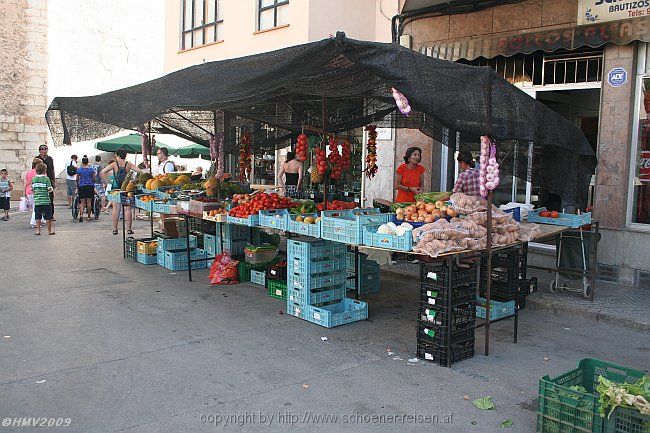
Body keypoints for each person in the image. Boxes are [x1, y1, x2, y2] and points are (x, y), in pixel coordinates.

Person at [101, 149, 142, 235]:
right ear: (125, 155)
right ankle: (129, 229)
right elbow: (139, 171)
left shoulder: (114, 164)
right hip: (127, 188)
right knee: (128, 208)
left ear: (117, 155)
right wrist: (135, 181)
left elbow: (103, 172)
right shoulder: (129, 164)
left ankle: (115, 229)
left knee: (116, 209)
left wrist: (108, 181)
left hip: (116, 188)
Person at [31, 162, 55, 235]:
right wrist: (50, 189)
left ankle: (38, 230)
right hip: (46, 201)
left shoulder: (34, 179)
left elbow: (32, 189)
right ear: (45, 171)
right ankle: (49, 230)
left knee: (37, 217)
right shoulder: (46, 179)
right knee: (48, 217)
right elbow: (50, 189)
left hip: (37, 201)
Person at [37, 144, 56, 218]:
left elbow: (52, 170)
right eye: (42, 149)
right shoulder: (37, 159)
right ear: (40, 151)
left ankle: (50, 215)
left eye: (46, 149)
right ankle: (41, 215)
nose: (44, 150)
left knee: (50, 198)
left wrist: (54, 180)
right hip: (40, 181)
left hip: (49, 180)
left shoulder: (50, 158)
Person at [76, 156, 95, 222]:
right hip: (89, 186)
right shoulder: (91, 170)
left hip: (82, 186)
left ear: (82, 162)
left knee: (82, 202)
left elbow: (77, 179)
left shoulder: (79, 170)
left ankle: (81, 215)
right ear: (88, 162)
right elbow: (93, 179)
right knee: (89, 202)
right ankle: (89, 216)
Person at [24, 158, 43, 227]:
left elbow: (26, 183)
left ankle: (40, 220)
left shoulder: (29, 172)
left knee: (35, 207)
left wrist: (24, 192)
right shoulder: (41, 173)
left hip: (28, 191)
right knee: (37, 207)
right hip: (37, 191)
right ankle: (34, 222)